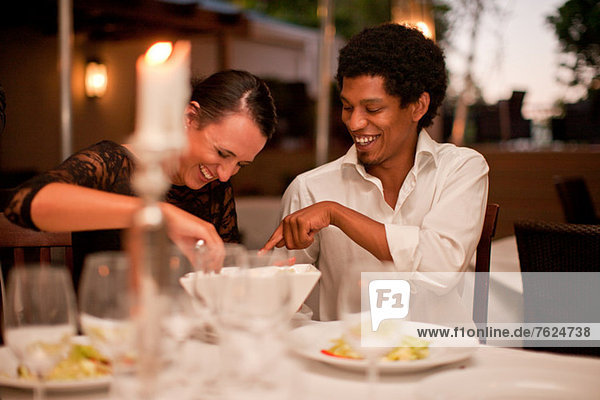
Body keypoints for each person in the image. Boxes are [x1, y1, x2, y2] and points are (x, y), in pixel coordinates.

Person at [262, 23, 489, 321]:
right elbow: (280, 302)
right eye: (346, 107)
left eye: (372, 109)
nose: (354, 123)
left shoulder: (460, 169)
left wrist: (336, 213)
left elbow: (441, 267)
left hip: (442, 357)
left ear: (418, 106)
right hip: (347, 358)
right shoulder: (309, 189)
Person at [4, 70, 277, 288]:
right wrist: (158, 214)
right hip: (107, 339)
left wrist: (264, 284)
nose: (225, 174)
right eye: (221, 153)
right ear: (190, 117)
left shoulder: (215, 186)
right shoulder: (114, 164)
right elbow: (23, 202)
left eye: (240, 164)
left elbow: (221, 278)